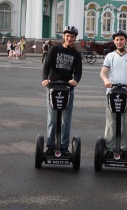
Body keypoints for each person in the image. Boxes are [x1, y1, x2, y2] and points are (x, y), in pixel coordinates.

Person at [100, 29, 127, 160]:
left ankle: (126, 148)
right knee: (111, 122)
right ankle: (110, 148)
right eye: (117, 39)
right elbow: (103, 72)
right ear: (114, 41)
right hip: (112, 93)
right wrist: (106, 81)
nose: (119, 42)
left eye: (121, 39)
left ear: (126, 41)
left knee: (126, 122)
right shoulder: (110, 56)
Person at [42, 26, 82, 156]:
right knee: (52, 119)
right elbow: (47, 66)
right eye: (67, 36)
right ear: (63, 36)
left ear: (75, 38)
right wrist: (45, 79)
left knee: (66, 119)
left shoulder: (76, 54)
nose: (69, 38)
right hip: (52, 88)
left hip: (67, 89)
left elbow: (78, 71)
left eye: (72, 36)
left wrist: (75, 80)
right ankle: (50, 146)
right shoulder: (54, 50)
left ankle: (64, 146)